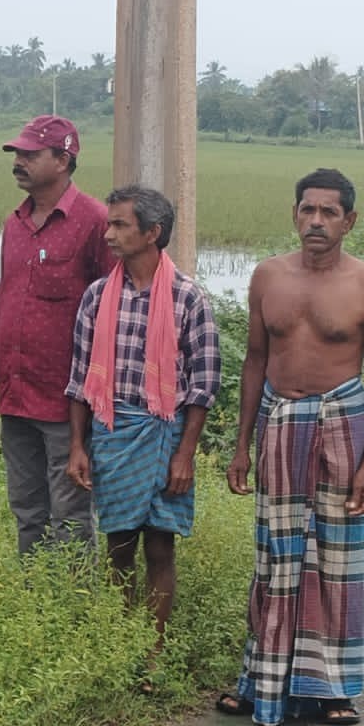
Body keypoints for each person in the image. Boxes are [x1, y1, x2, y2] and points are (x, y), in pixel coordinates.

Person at [218, 169, 364, 726]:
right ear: (294, 214)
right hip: (280, 426)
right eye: (308, 210)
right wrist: (240, 446)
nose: (317, 222)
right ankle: (261, 680)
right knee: (276, 559)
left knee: (338, 561)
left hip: (345, 425)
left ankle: (334, 691)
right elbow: (255, 360)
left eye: (329, 213)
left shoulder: (360, 280)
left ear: (349, 221)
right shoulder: (267, 276)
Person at [65, 185, 220, 676]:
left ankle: (151, 655)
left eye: (119, 225)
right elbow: (79, 379)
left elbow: (202, 385)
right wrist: (77, 447)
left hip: (167, 434)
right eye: (109, 224)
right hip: (114, 432)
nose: (108, 233)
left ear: (153, 233)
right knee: (117, 546)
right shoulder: (97, 296)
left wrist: (185, 454)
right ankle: (119, 647)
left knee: (159, 545)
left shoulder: (187, 297)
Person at [0, 115, 116, 555]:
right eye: (17, 153)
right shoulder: (15, 222)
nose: (19, 161)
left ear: (64, 159)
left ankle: (72, 610)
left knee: (70, 514)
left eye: (31, 154)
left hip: (64, 402)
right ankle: (36, 600)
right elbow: (6, 304)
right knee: (27, 509)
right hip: (15, 395)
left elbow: (110, 313)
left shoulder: (95, 222)